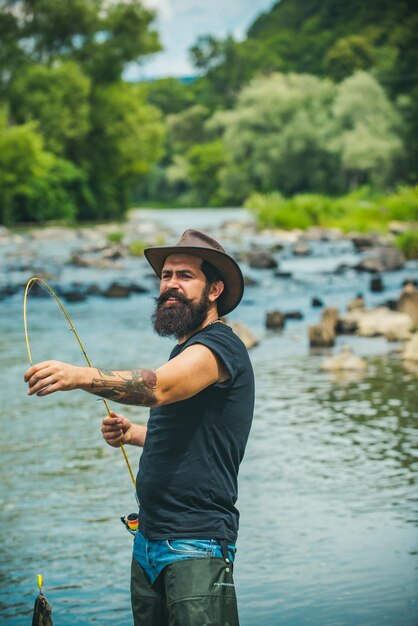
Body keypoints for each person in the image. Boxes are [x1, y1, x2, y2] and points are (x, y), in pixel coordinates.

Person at [24, 229, 255, 626]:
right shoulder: (182, 350)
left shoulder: (220, 347)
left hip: (195, 545)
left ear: (215, 289)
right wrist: (133, 435)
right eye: (165, 275)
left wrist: (80, 376)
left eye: (185, 276)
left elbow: (159, 388)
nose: (170, 285)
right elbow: (196, 439)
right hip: (148, 543)